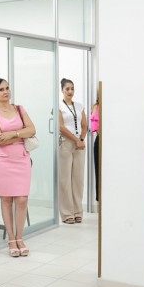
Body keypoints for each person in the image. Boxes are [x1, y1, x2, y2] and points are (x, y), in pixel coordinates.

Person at [0, 78, 36, 257]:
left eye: (7, 88)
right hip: (2, 161)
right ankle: (11, 239)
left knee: (22, 199)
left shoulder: (19, 109)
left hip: (22, 158)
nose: (6, 91)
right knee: (6, 200)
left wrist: (12, 134)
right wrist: (21, 134)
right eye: (1, 89)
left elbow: (32, 130)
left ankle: (20, 237)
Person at [58, 78, 88, 224]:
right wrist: (76, 140)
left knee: (78, 179)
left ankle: (77, 211)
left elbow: (84, 125)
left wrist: (80, 139)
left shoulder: (80, 106)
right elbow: (61, 127)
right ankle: (66, 213)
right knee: (65, 179)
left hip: (79, 145)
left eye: (72, 88)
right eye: (67, 89)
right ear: (62, 90)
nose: (70, 91)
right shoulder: (59, 106)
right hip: (65, 143)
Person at [91, 96, 100, 202]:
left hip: (111, 143)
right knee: (99, 172)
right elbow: (96, 128)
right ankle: (100, 198)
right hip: (101, 141)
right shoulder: (96, 107)